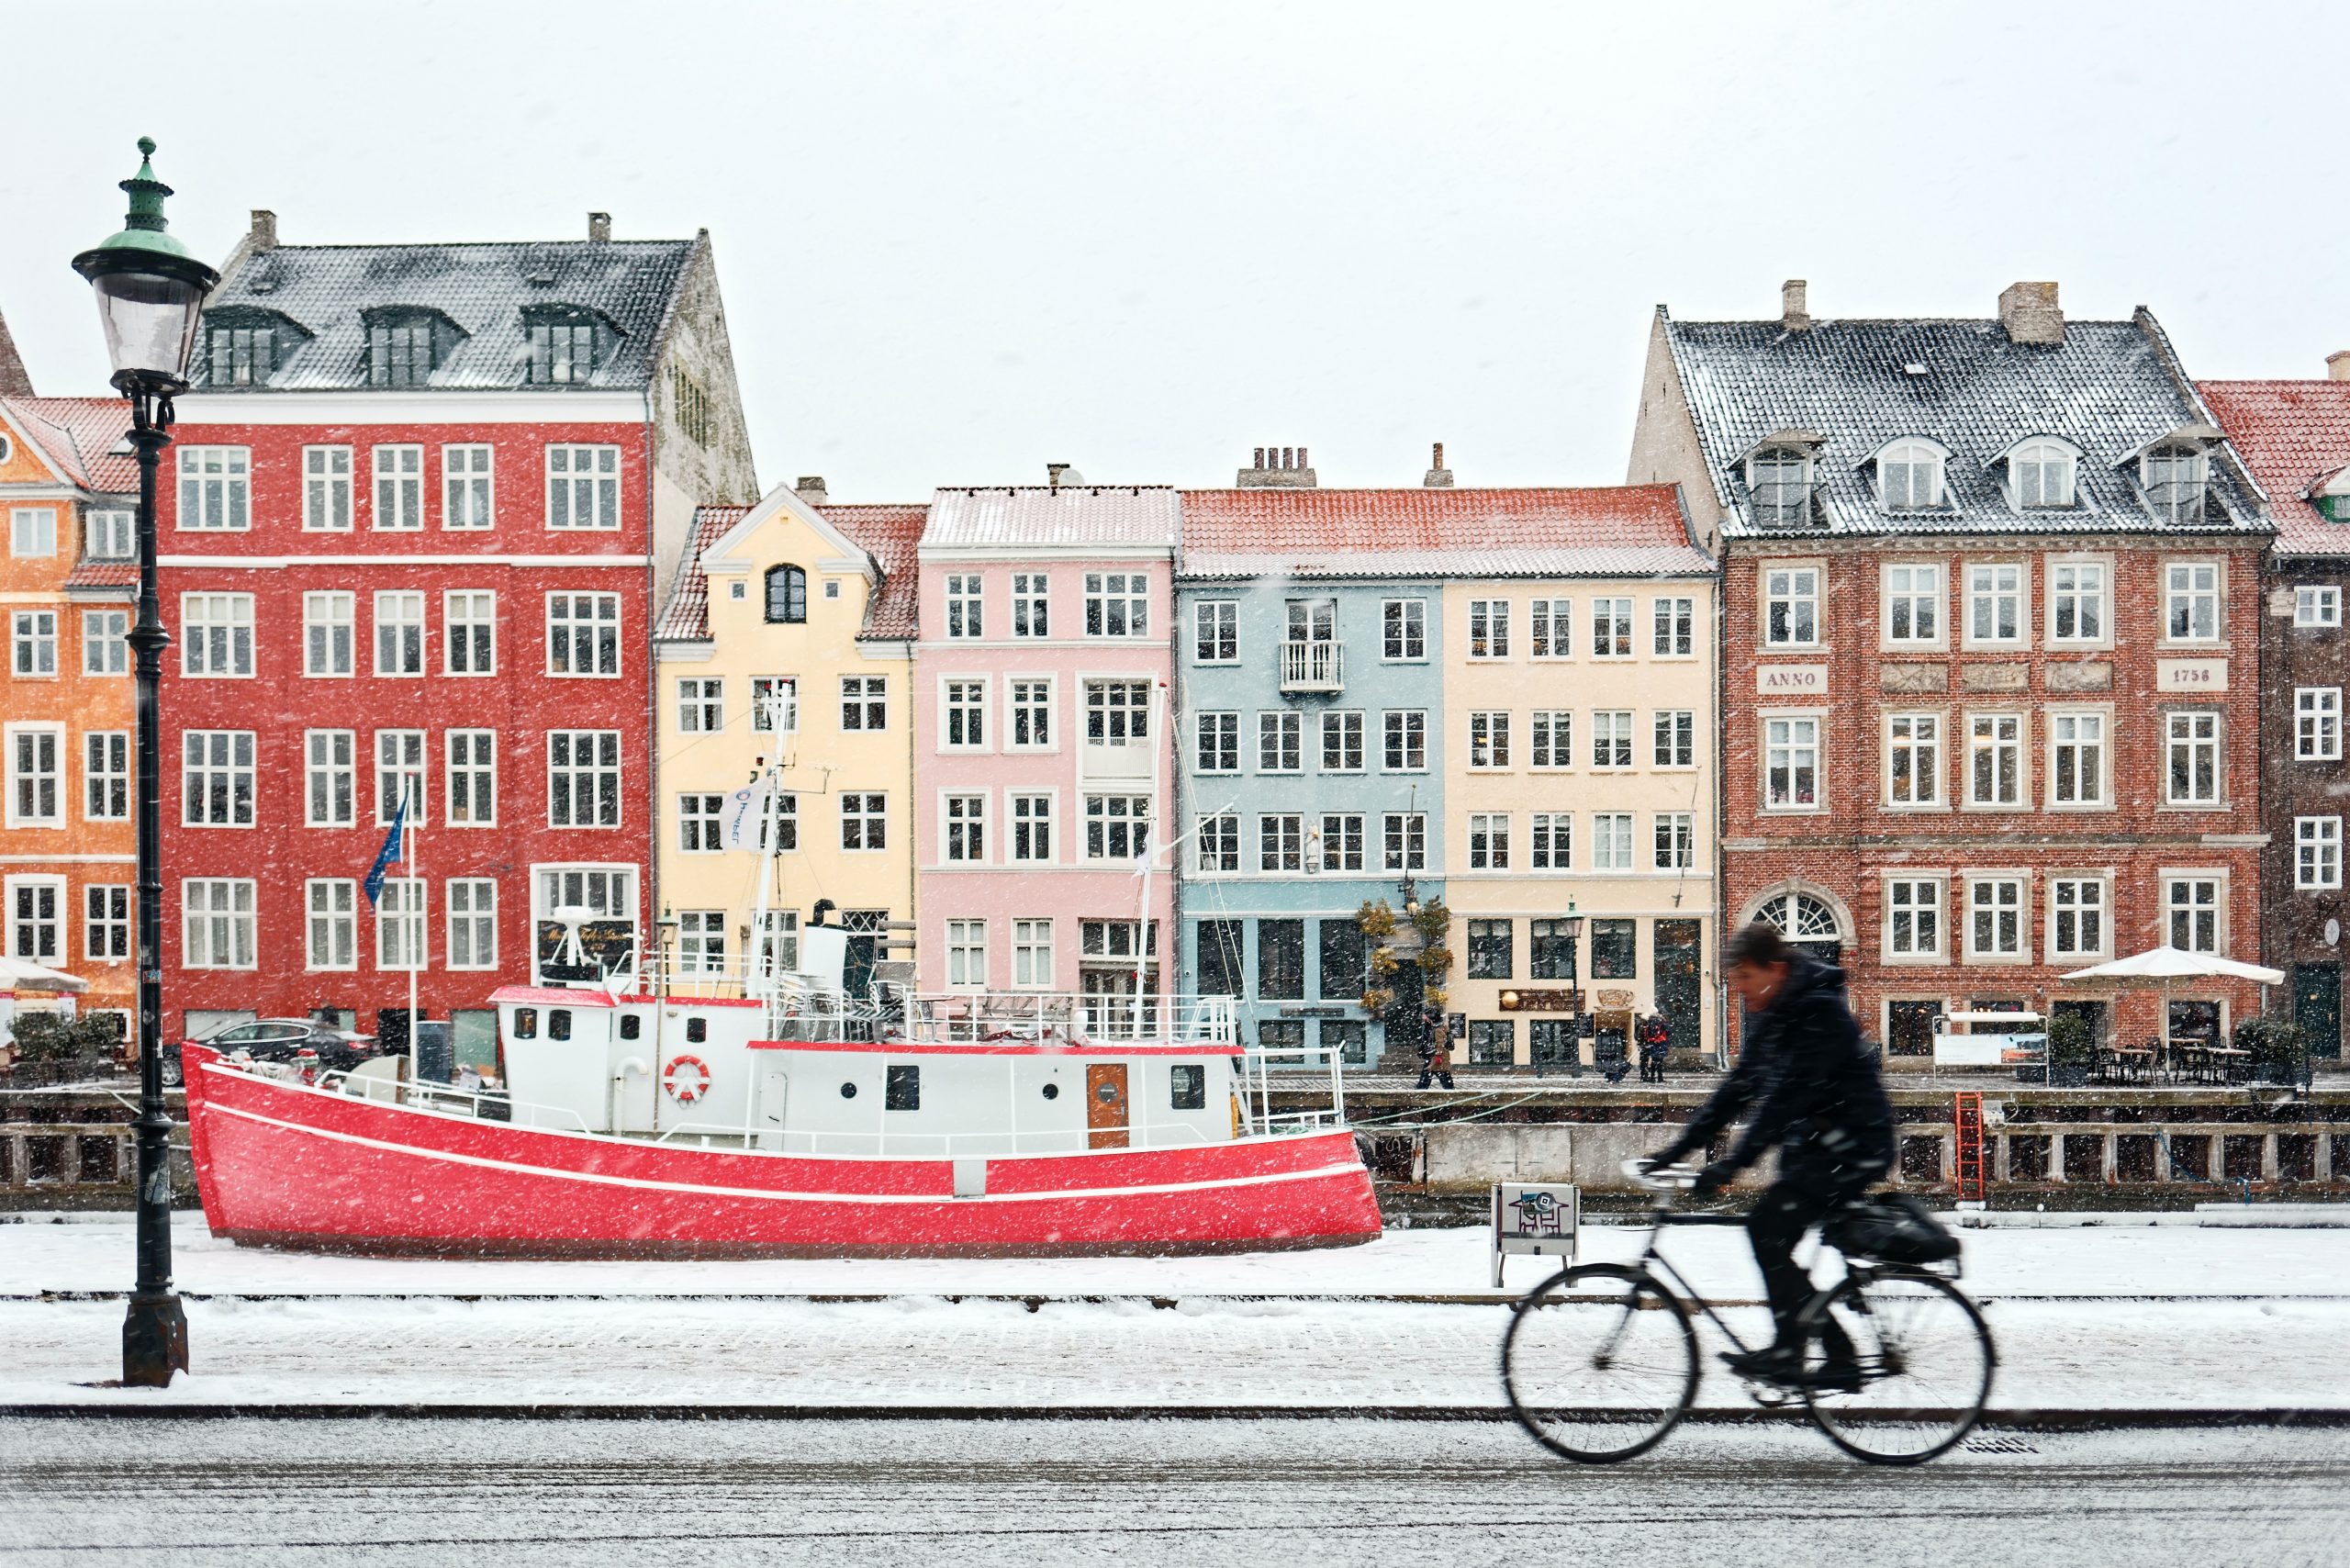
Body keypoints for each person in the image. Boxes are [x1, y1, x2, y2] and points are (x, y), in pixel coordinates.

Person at [1644, 921, 1895, 1389]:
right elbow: (1739, 1088)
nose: (1739, 988)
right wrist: (1676, 1151)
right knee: (1772, 1239)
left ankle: (1824, 1357)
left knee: (1766, 1232)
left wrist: (1731, 1165)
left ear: (1774, 969)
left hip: (1854, 1146)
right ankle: (1798, 1351)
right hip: (1819, 1148)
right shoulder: (1777, 1011)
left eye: (1743, 977)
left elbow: (1786, 1100)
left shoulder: (1819, 1009)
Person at [1415, 1012, 1456, 1091]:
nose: (1423, 1017)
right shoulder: (1440, 1026)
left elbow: (1440, 1044)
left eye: (1425, 1015)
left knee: (1435, 1072)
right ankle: (1449, 1088)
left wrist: (1437, 1054)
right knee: (1441, 1072)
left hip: (1436, 1056)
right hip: (1437, 1055)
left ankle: (1422, 1088)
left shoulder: (1437, 1029)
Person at [1639, 1014, 1672, 1083]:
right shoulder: (1662, 1024)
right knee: (1660, 1061)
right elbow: (1668, 1032)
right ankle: (1660, 1077)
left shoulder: (1649, 1024)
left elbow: (1645, 1034)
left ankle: (1652, 1077)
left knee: (1653, 1060)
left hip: (1652, 1043)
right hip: (1661, 1043)